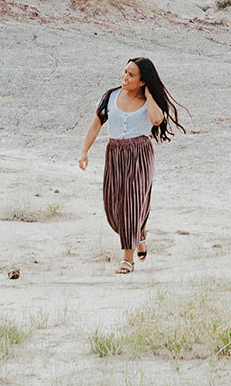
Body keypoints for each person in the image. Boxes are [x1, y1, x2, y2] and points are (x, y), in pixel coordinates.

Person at [78, 57, 185, 273]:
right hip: (114, 153)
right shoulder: (110, 96)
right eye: (125, 72)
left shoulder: (150, 101)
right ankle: (139, 234)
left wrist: (149, 95)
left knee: (132, 201)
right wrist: (84, 151)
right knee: (113, 206)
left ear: (143, 81)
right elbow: (96, 124)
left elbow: (156, 120)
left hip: (140, 154)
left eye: (131, 75)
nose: (125, 78)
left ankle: (127, 258)